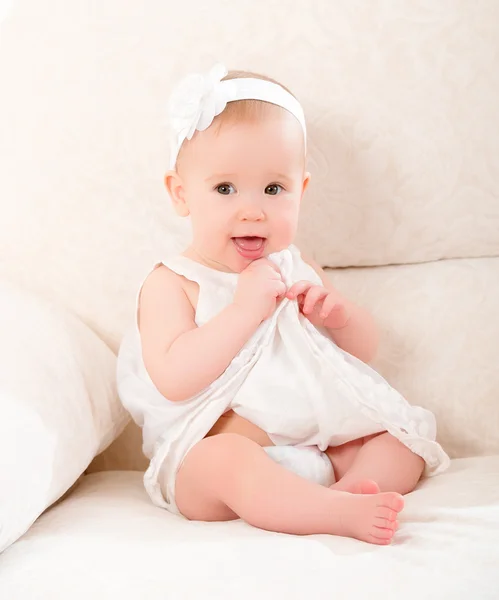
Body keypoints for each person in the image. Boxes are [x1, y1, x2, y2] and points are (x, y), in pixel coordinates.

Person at [117, 63, 449, 545]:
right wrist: (242, 311)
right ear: (181, 193)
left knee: (402, 441)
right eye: (225, 188)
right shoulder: (173, 282)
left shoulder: (294, 264)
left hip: (320, 447)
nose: (252, 209)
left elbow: (364, 351)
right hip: (218, 453)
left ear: (301, 191)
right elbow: (173, 379)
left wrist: (340, 314)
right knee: (223, 460)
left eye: (274, 189)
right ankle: (329, 511)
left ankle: (350, 490)